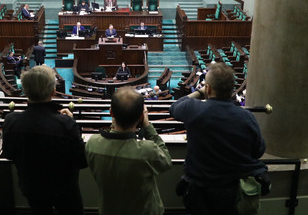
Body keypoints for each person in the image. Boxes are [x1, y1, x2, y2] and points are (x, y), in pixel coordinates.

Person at [169, 62, 268, 215]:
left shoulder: (194, 110)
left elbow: (175, 106)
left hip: (199, 191)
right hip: (233, 193)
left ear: (208, 88)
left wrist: (201, 92)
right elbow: (258, 150)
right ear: (231, 90)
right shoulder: (247, 117)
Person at [2, 65, 87, 215]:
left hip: (31, 188)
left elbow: (8, 153)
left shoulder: (11, 121)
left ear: (25, 91)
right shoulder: (66, 124)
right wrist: (71, 124)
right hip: (64, 189)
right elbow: (81, 161)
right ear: (53, 91)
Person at [86, 87, 171, 215]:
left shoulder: (93, 144)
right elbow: (166, 161)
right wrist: (147, 126)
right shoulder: (148, 150)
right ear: (141, 116)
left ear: (111, 113)